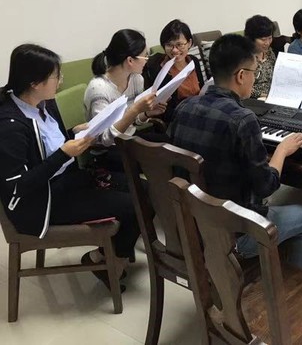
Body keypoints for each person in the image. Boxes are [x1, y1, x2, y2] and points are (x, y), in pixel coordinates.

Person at [169, 34, 302, 270]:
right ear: (241, 76)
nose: (254, 78)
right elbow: (266, 186)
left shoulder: (184, 106)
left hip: (191, 223)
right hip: (234, 232)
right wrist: (281, 150)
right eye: (254, 73)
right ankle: (296, 281)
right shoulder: (242, 119)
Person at [0, 44, 139, 290]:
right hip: (42, 202)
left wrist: (73, 133)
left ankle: (105, 257)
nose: (61, 81)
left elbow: (44, 145)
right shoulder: (11, 125)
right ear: (35, 82)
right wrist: (64, 154)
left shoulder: (45, 104)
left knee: (141, 189)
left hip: (66, 180)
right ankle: (109, 262)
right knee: (133, 204)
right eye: (56, 76)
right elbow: (17, 187)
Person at [85, 29, 166, 171]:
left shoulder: (136, 79)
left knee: (169, 145)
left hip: (129, 139)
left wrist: (146, 113)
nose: (146, 61)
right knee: (158, 162)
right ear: (130, 60)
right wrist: (135, 109)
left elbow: (133, 121)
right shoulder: (98, 89)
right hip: (109, 149)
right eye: (145, 56)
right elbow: (105, 139)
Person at [143, 19, 206, 122]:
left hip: (201, 112)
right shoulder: (160, 68)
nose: (175, 50)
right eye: (169, 45)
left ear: (189, 43)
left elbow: (202, 91)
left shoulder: (193, 61)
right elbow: (164, 110)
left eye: (179, 45)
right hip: (179, 119)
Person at [244, 15, 276, 98]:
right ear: (251, 39)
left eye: (270, 38)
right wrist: (267, 96)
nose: (267, 43)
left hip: (273, 95)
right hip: (255, 100)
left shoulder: (269, 52)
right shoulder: (245, 57)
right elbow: (243, 87)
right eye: (263, 39)